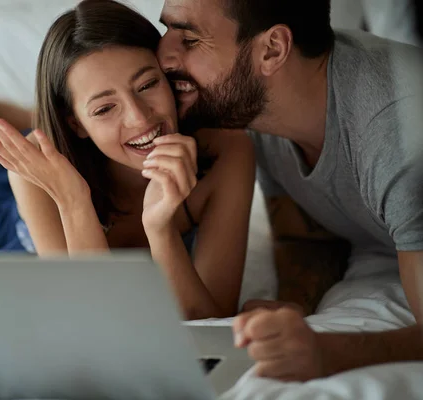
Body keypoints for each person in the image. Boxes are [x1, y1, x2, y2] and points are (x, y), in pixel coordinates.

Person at [0, 0, 256, 321]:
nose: (140, 117)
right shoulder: (33, 175)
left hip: (63, 145)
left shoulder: (227, 153)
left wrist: (160, 228)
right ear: (75, 123)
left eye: (147, 84)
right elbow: (94, 311)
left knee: (5, 129)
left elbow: (211, 318)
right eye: (104, 108)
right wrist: (73, 198)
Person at [157, 0, 423, 382]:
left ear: (272, 49)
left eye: (189, 38)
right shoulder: (255, 113)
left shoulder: (393, 131)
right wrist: (295, 307)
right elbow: (307, 237)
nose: (163, 55)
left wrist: (327, 352)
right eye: (165, 30)